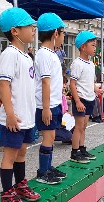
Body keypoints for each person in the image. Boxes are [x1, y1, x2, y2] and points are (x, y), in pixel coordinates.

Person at [0, 7, 40, 202]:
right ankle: (6, 194)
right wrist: (10, 114)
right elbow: (4, 85)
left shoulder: (26, 56)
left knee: (22, 152)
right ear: (15, 31)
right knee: (10, 154)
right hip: (13, 117)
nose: (33, 29)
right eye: (29, 26)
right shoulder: (10, 54)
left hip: (26, 116)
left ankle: (20, 184)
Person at [34, 13, 68, 185]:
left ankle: (48, 167)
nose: (63, 38)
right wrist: (46, 108)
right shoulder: (44, 55)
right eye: (63, 34)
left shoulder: (51, 53)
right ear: (56, 33)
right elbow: (45, 83)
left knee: (52, 136)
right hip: (46, 106)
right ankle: (42, 172)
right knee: (47, 138)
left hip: (53, 104)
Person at [70, 31, 103, 163]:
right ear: (83, 47)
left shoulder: (90, 64)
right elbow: (72, 84)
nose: (95, 48)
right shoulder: (77, 63)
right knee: (78, 126)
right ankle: (74, 152)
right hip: (81, 99)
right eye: (93, 45)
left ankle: (82, 149)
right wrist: (77, 101)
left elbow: (89, 81)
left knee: (84, 126)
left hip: (89, 98)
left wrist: (96, 89)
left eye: (96, 46)